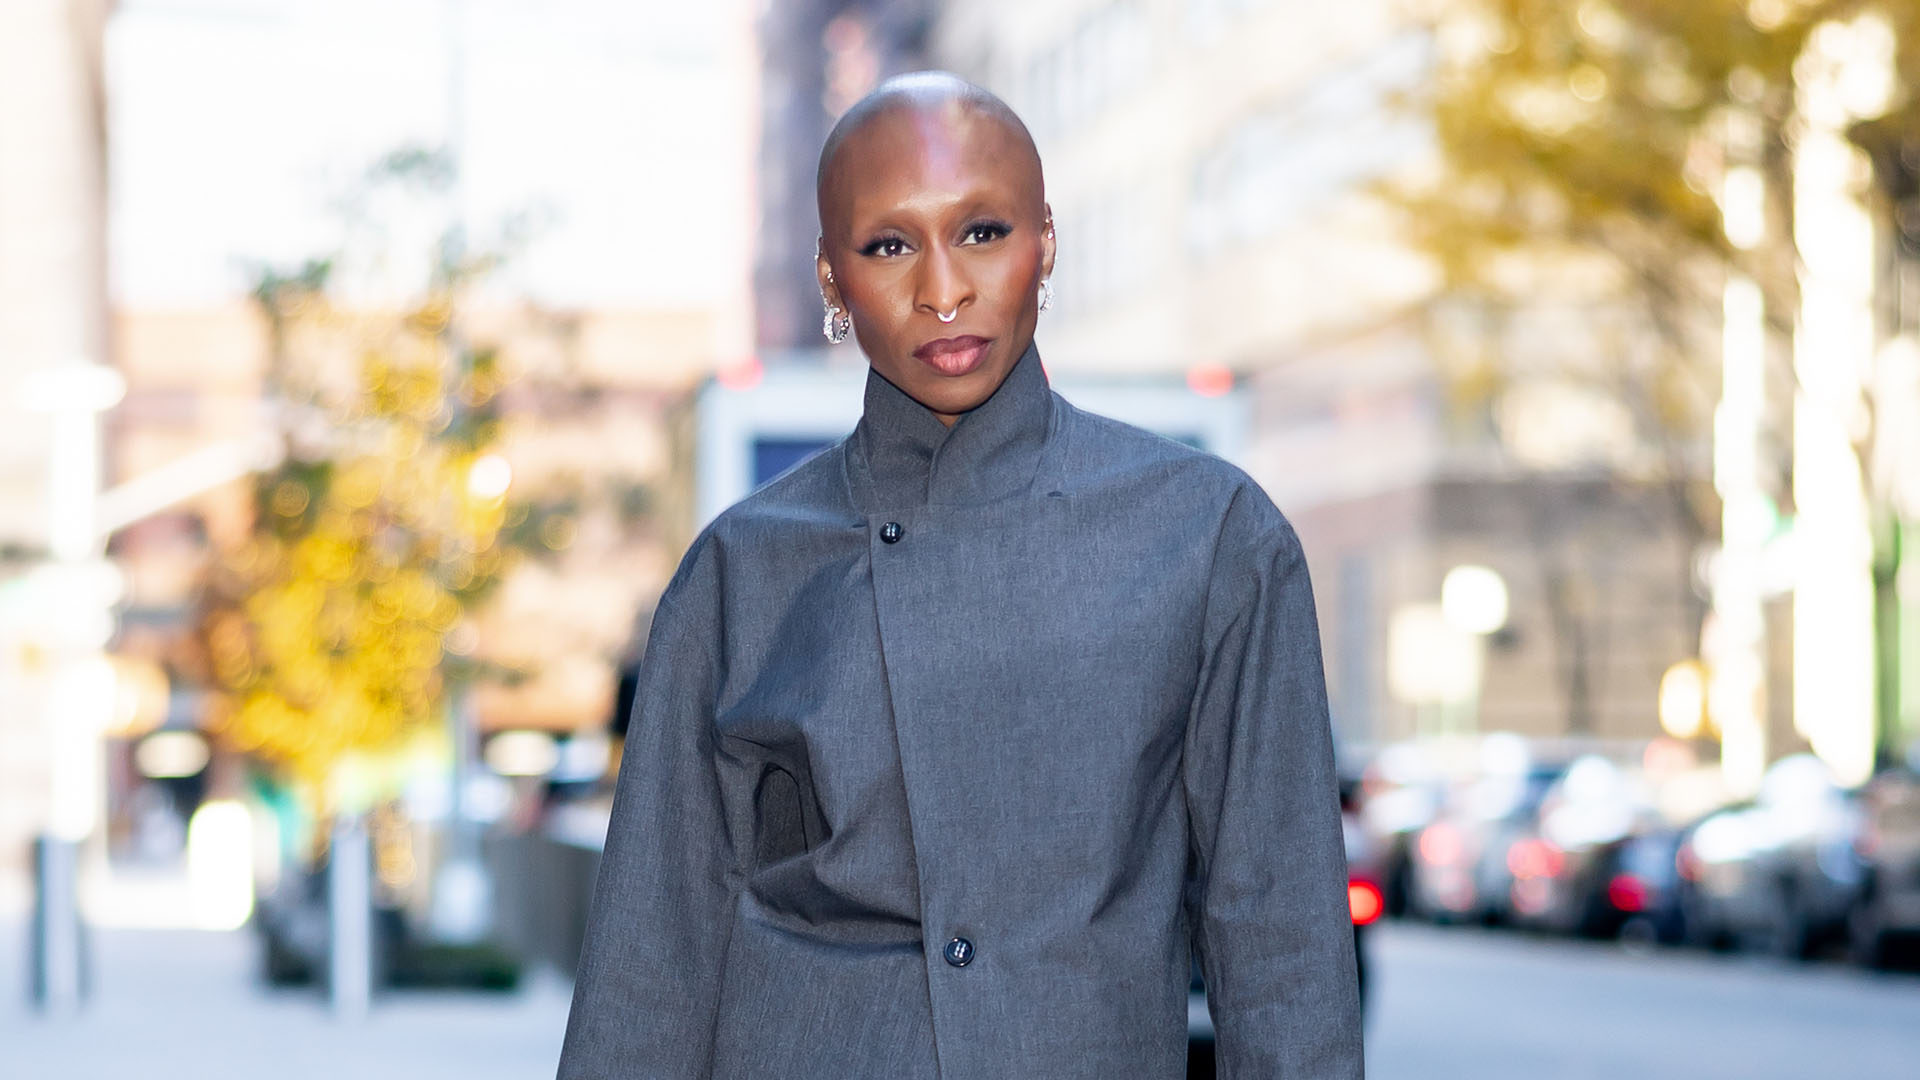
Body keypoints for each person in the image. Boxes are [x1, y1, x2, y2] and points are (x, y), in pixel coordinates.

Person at [557, 72, 1363, 1079]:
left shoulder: (1210, 537)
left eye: (982, 230)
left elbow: (1280, 936)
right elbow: (652, 963)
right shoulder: (739, 572)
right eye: (888, 245)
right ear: (830, 279)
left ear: (1048, 244)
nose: (943, 289)